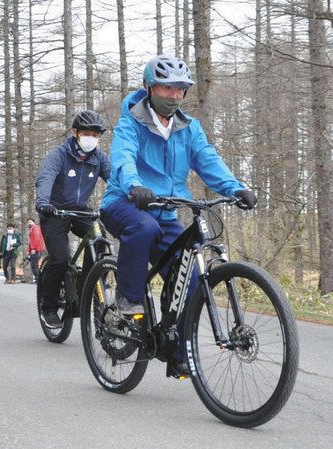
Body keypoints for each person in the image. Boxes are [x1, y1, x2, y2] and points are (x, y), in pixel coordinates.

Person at [99, 55, 257, 377]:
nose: (173, 95)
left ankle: (175, 350)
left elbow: (208, 160)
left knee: (192, 276)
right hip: (125, 202)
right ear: (149, 87)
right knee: (142, 228)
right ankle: (129, 300)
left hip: (166, 209)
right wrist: (134, 184)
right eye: (166, 88)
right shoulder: (131, 120)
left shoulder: (189, 128)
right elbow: (123, 156)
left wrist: (235, 188)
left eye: (180, 89)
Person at [35, 109, 111, 329]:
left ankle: (87, 286)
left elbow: (115, 180)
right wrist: (43, 202)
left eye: (96, 135)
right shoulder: (59, 154)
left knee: (100, 240)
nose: (92, 139)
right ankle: (48, 307)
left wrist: (129, 197)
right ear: (75, 132)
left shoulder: (99, 158)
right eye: (88, 133)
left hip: (80, 210)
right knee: (59, 259)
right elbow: (45, 177)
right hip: (54, 211)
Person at [26, 218, 45, 283]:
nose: (29, 223)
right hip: (35, 249)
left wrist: (34, 248)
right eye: (28, 222)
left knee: (34, 266)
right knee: (35, 265)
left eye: (30, 222)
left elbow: (37, 239)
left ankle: (38, 280)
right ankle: (39, 279)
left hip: (37, 249)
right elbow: (30, 242)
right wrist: (28, 250)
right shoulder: (31, 229)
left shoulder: (35, 228)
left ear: (34, 222)